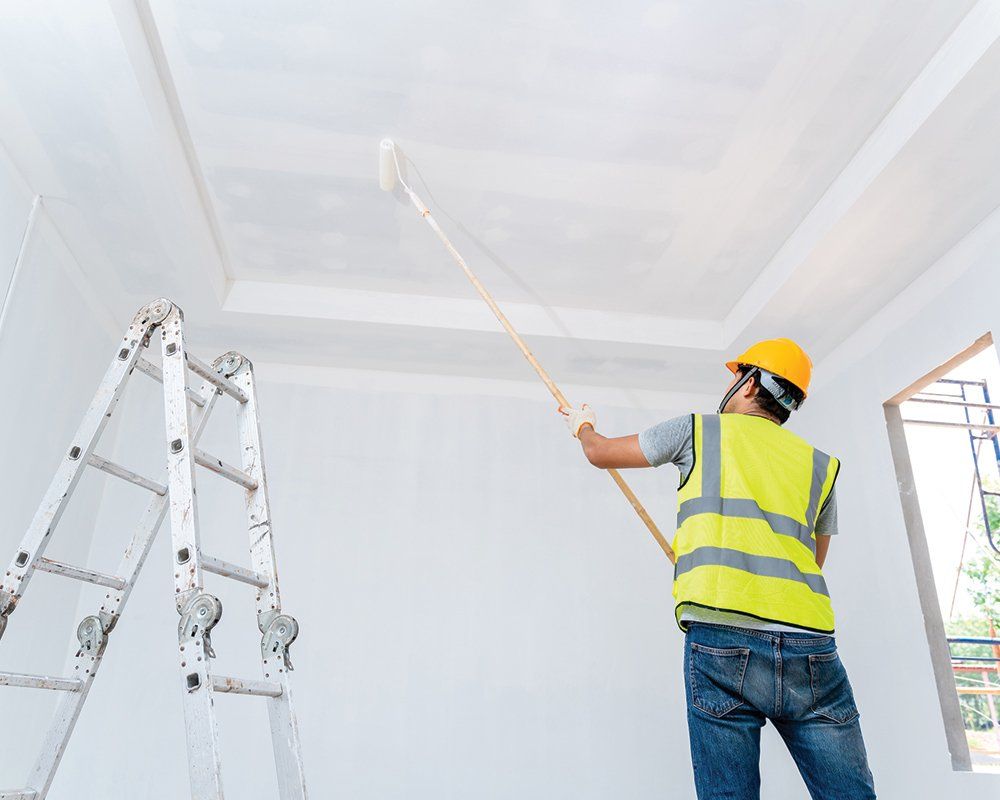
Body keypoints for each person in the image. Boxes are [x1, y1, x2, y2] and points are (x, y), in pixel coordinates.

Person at [560, 338, 876, 800]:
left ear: (749, 385)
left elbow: (601, 453)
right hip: (811, 647)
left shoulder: (698, 431)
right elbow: (811, 561)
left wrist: (582, 425)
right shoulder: (821, 466)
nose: (729, 385)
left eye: (735, 376)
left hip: (722, 642)